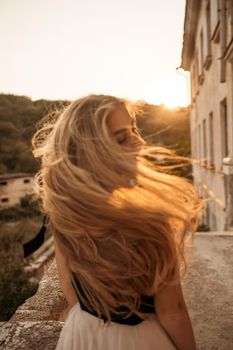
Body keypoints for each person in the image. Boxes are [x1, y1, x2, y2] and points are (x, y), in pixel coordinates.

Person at [32, 94, 204, 350]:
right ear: (93, 153)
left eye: (134, 130)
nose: (140, 142)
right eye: (123, 137)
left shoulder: (65, 211)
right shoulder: (150, 220)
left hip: (81, 334)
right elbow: (173, 311)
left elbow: (69, 285)